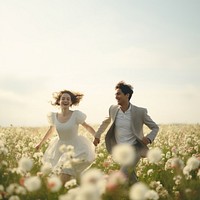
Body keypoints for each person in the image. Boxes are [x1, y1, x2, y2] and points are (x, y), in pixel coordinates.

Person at [93, 81, 159, 184]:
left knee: (121, 176)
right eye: (115, 94)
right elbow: (105, 122)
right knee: (131, 180)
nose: (116, 96)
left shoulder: (140, 112)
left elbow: (155, 127)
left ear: (127, 95)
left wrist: (149, 138)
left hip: (135, 149)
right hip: (121, 151)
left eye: (118, 94)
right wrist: (97, 135)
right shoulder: (113, 109)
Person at [35, 90, 95, 184]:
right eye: (63, 98)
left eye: (68, 99)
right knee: (59, 173)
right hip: (59, 147)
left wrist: (96, 136)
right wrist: (40, 143)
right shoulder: (54, 116)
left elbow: (86, 126)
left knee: (66, 167)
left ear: (71, 102)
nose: (65, 100)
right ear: (59, 101)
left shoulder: (76, 115)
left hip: (75, 147)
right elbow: (51, 131)